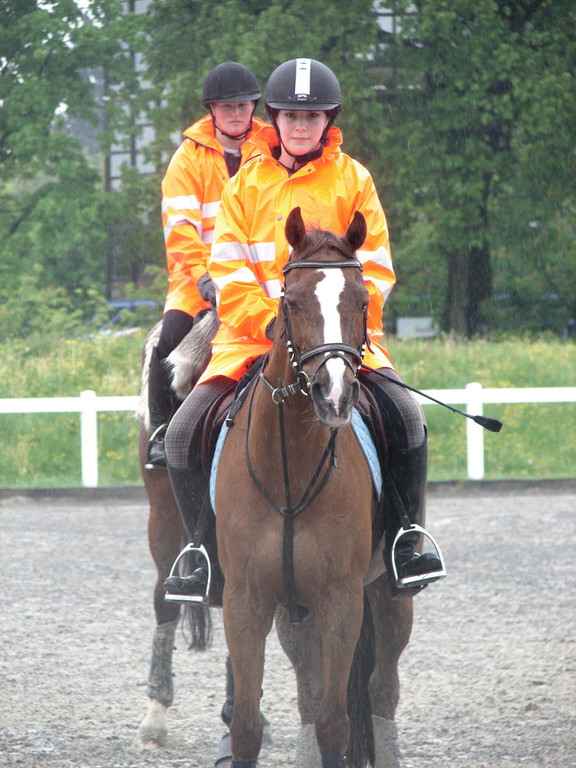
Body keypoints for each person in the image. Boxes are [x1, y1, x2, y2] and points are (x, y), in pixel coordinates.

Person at [163, 58, 444, 600]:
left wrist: (341, 333)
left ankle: (406, 539)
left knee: (408, 419)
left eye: (311, 117)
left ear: (328, 121)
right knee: (180, 433)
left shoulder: (354, 180)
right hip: (251, 344)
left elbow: (377, 271)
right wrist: (269, 324)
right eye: (290, 115)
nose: (299, 126)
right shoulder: (243, 186)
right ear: (274, 117)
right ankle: (200, 552)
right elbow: (227, 268)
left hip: (339, 345)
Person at [144, 61, 269, 470]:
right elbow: (179, 228)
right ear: (211, 109)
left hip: (257, 276)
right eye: (227, 106)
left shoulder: (271, 144)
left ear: (253, 106)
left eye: (244, 105)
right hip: (195, 282)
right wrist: (203, 277)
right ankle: (162, 432)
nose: (237, 113)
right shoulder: (188, 159)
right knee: (168, 343)